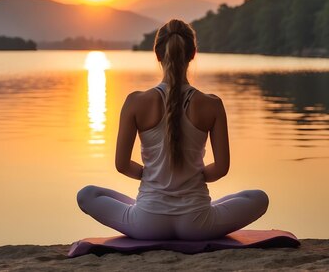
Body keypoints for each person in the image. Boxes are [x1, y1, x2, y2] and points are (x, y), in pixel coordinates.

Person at [77, 19, 269, 240]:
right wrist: (192, 178)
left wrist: (153, 177)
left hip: (146, 223)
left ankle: (148, 206)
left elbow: (121, 165)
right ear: (193, 53)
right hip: (198, 224)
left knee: (88, 194)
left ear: (158, 54)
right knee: (258, 198)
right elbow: (221, 168)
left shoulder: (135, 102)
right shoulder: (212, 104)